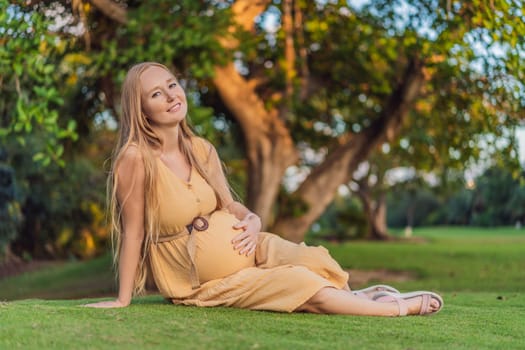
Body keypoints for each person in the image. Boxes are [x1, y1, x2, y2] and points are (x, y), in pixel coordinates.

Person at [85, 62, 443, 316]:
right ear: (141, 109)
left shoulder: (201, 149)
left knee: (312, 259)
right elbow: (134, 232)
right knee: (297, 282)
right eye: (156, 94)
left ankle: (359, 297)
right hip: (200, 280)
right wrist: (123, 299)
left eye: (172, 85)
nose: (170, 96)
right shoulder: (134, 159)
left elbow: (230, 206)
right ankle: (393, 310)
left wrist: (253, 221)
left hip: (251, 245)